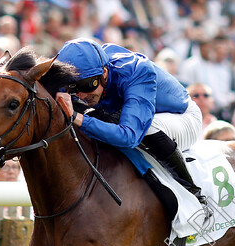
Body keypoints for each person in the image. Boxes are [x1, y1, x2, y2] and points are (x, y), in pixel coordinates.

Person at [54, 38, 209, 213]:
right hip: (128, 113)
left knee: (146, 129)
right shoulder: (88, 73)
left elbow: (129, 137)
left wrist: (76, 117)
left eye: (86, 85)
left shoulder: (137, 71)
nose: (81, 95)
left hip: (182, 117)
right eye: (72, 88)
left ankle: (192, 191)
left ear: (104, 72)